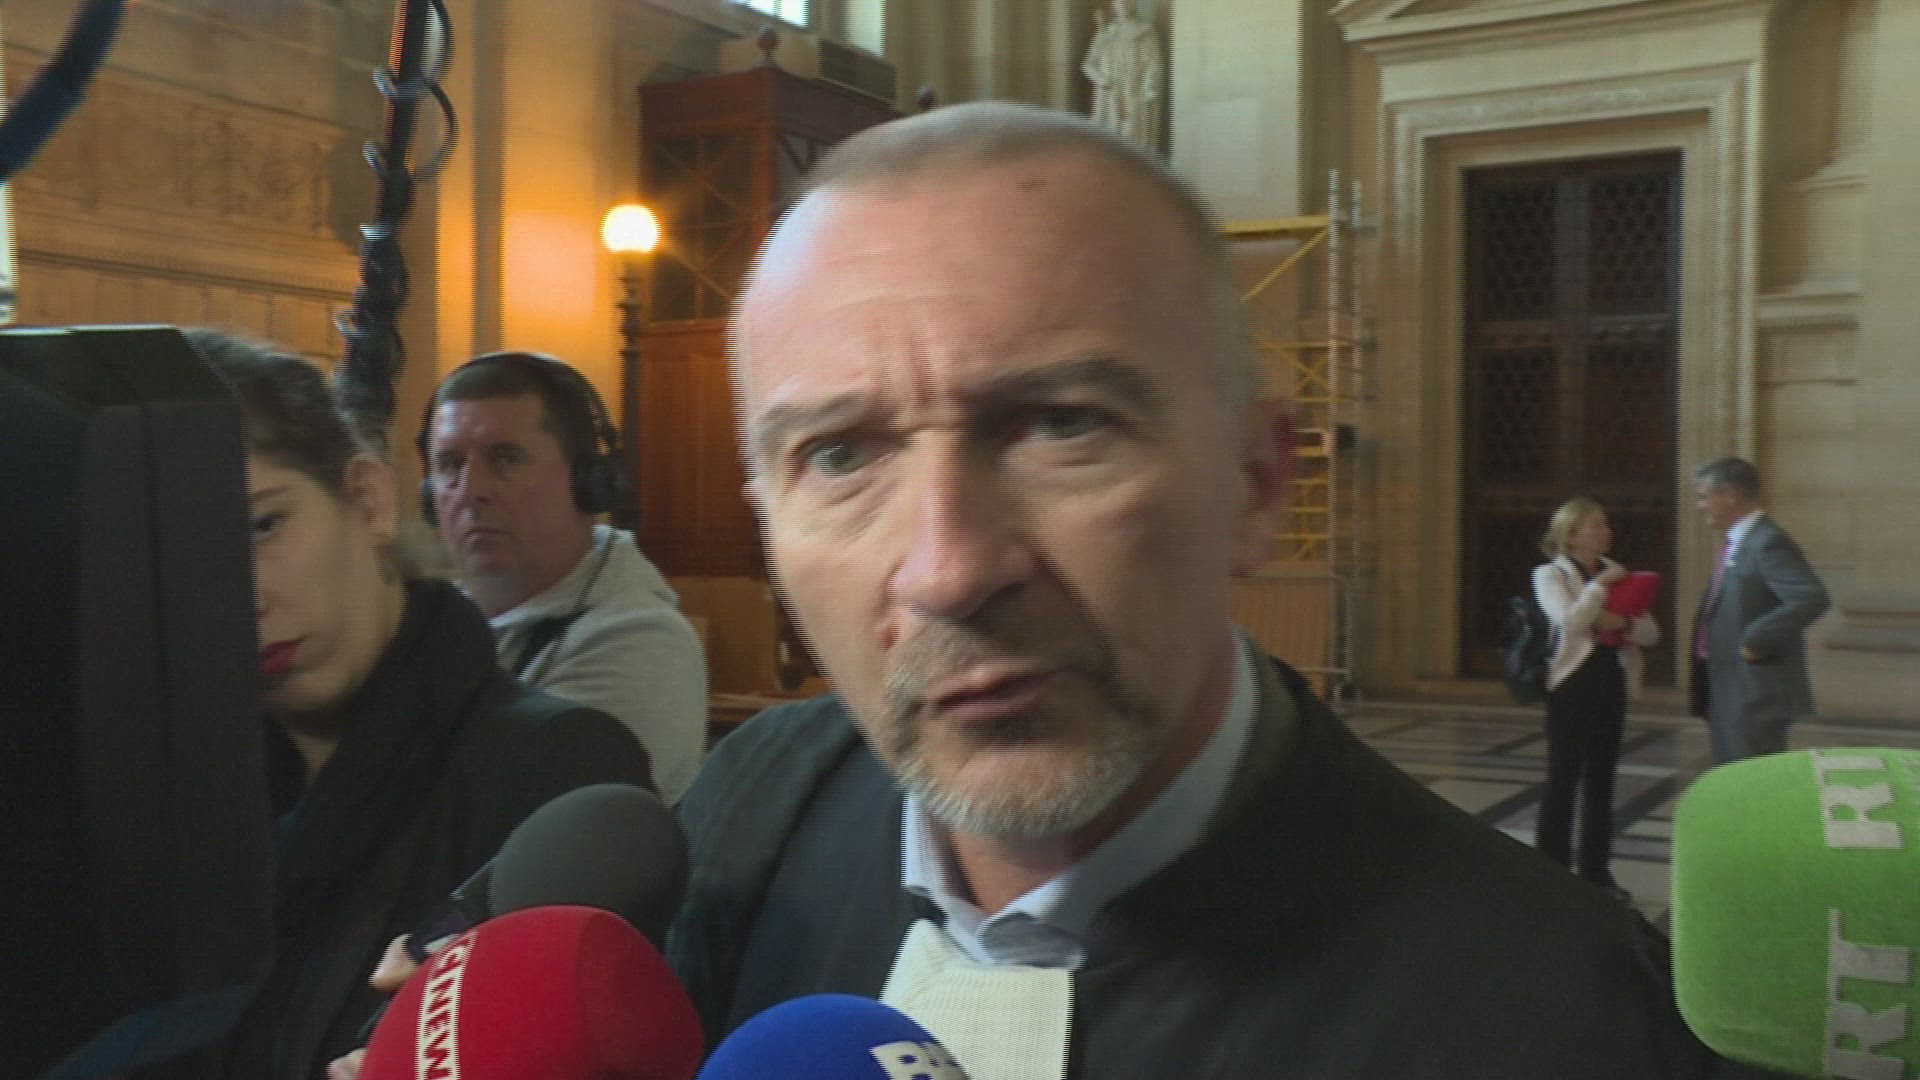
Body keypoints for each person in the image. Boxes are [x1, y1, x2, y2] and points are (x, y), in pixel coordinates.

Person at [665, 103, 1722, 1076]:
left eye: (1062, 426)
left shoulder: (1566, 1024)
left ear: (1256, 482)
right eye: (840, 456)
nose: (948, 571)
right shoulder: (749, 816)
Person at [186, 331, 653, 1080]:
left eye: (262, 525)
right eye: (187, 559)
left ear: (367, 499)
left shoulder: (556, 767)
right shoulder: (177, 785)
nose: (242, 596)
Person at [421, 352, 708, 802]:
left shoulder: (640, 641)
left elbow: (493, 821)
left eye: (505, 459)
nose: (471, 491)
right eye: (449, 465)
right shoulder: (431, 623)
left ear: (588, 483)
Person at [1532, 497, 1659, 896]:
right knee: (1563, 777)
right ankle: (1551, 871)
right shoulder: (1550, 574)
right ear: (1571, 536)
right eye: (1596, 525)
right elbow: (1570, 622)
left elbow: (1651, 632)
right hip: (1571, 684)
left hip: (1610, 680)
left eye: (1606, 524)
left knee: (1602, 780)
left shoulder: (1620, 574)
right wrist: (1600, 589)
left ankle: (1596, 872)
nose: (1607, 531)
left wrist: (1621, 623)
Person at [1690, 457, 1830, 764]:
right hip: (1729, 685)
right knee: (1730, 775)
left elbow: (1810, 597)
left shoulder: (1767, 542)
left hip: (1754, 690)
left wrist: (1756, 639)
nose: (1700, 506)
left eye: (1704, 497)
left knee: (1749, 778)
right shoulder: (1740, 542)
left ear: (1731, 495)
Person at [1080, 0, 1162, 154]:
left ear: (1133, 4)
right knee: (1108, 136)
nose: (1123, 5)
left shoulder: (1144, 31)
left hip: (1133, 90)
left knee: (1132, 135)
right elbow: (1088, 64)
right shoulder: (1105, 33)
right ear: (1114, 5)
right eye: (1119, 2)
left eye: (1127, 2)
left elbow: (1152, 64)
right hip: (1109, 92)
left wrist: (1149, 88)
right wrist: (1102, 79)